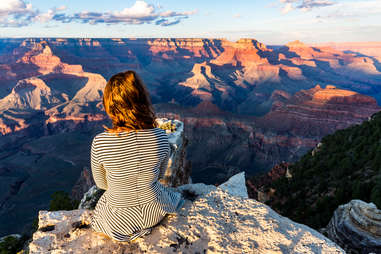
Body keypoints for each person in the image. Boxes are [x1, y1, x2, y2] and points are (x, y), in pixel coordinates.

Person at [90, 70, 184, 242]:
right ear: (142, 101)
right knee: (166, 192)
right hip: (155, 211)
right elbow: (160, 175)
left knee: (103, 203)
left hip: (118, 221)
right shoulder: (160, 137)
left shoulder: (100, 142)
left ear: (109, 106)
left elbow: (101, 184)